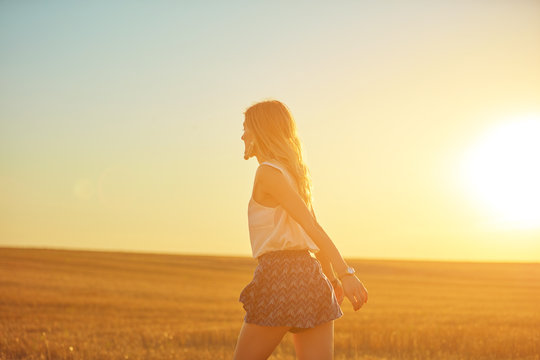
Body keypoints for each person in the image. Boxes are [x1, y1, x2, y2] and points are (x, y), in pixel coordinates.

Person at [233, 100, 368, 360]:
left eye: (246, 128)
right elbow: (312, 230)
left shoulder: (267, 173)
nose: (242, 135)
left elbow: (310, 226)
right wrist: (331, 278)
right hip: (309, 279)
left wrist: (345, 273)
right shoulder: (295, 176)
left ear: (260, 131)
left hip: (277, 279)